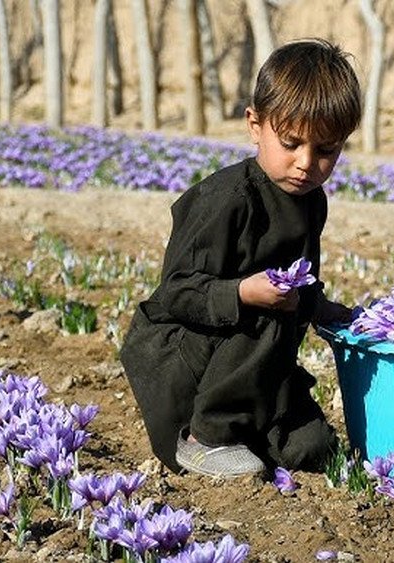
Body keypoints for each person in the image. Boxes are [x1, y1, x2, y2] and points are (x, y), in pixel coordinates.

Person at [119, 39, 361, 478]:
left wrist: (324, 309)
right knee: (269, 306)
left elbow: (301, 280)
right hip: (183, 364)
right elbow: (175, 292)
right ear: (255, 125)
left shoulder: (311, 201)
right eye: (291, 143)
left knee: (314, 449)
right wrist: (243, 293)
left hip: (254, 368)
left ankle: (241, 430)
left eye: (326, 150)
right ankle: (206, 439)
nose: (306, 163)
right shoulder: (227, 199)